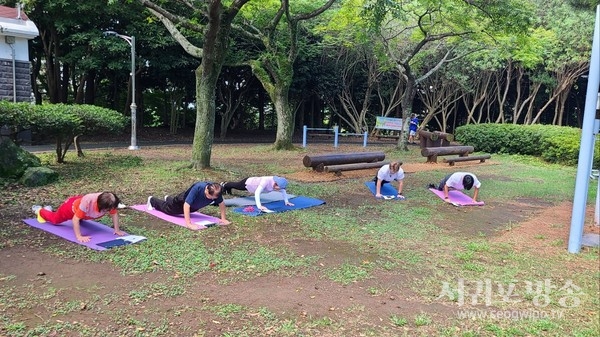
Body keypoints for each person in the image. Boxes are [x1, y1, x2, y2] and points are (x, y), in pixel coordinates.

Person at [32, 192, 124, 243]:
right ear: (101, 206)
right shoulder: (88, 202)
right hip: (70, 208)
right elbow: (75, 219)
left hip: (83, 210)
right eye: (107, 209)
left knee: (81, 218)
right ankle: (40, 211)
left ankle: (48, 209)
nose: (110, 210)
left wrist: (117, 229)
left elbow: (114, 213)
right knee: (55, 220)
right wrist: (79, 236)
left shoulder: (109, 202)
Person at [147, 182, 231, 229]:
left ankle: (168, 198)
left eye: (213, 198)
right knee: (169, 210)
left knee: (172, 204)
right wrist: (189, 223)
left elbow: (221, 203)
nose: (211, 199)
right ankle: (152, 200)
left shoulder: (217, 191)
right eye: (209, 197)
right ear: (206, 190)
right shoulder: (198, 187)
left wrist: (223, 219)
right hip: (182, 201)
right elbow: (186, 205)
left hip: (194, 206)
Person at [221, 176, 294, 212]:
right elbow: (257, 192)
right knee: (236, 185)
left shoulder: (279, 183)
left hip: (253, 185)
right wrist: (259, 206)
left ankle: (228, 188)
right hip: (248, 183)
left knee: (235, 186)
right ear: (275, 184)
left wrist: (286, 201)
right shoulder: (266, 181)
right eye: (279, 187)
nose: (280, 189)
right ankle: (225, 185)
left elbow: (283, 191)